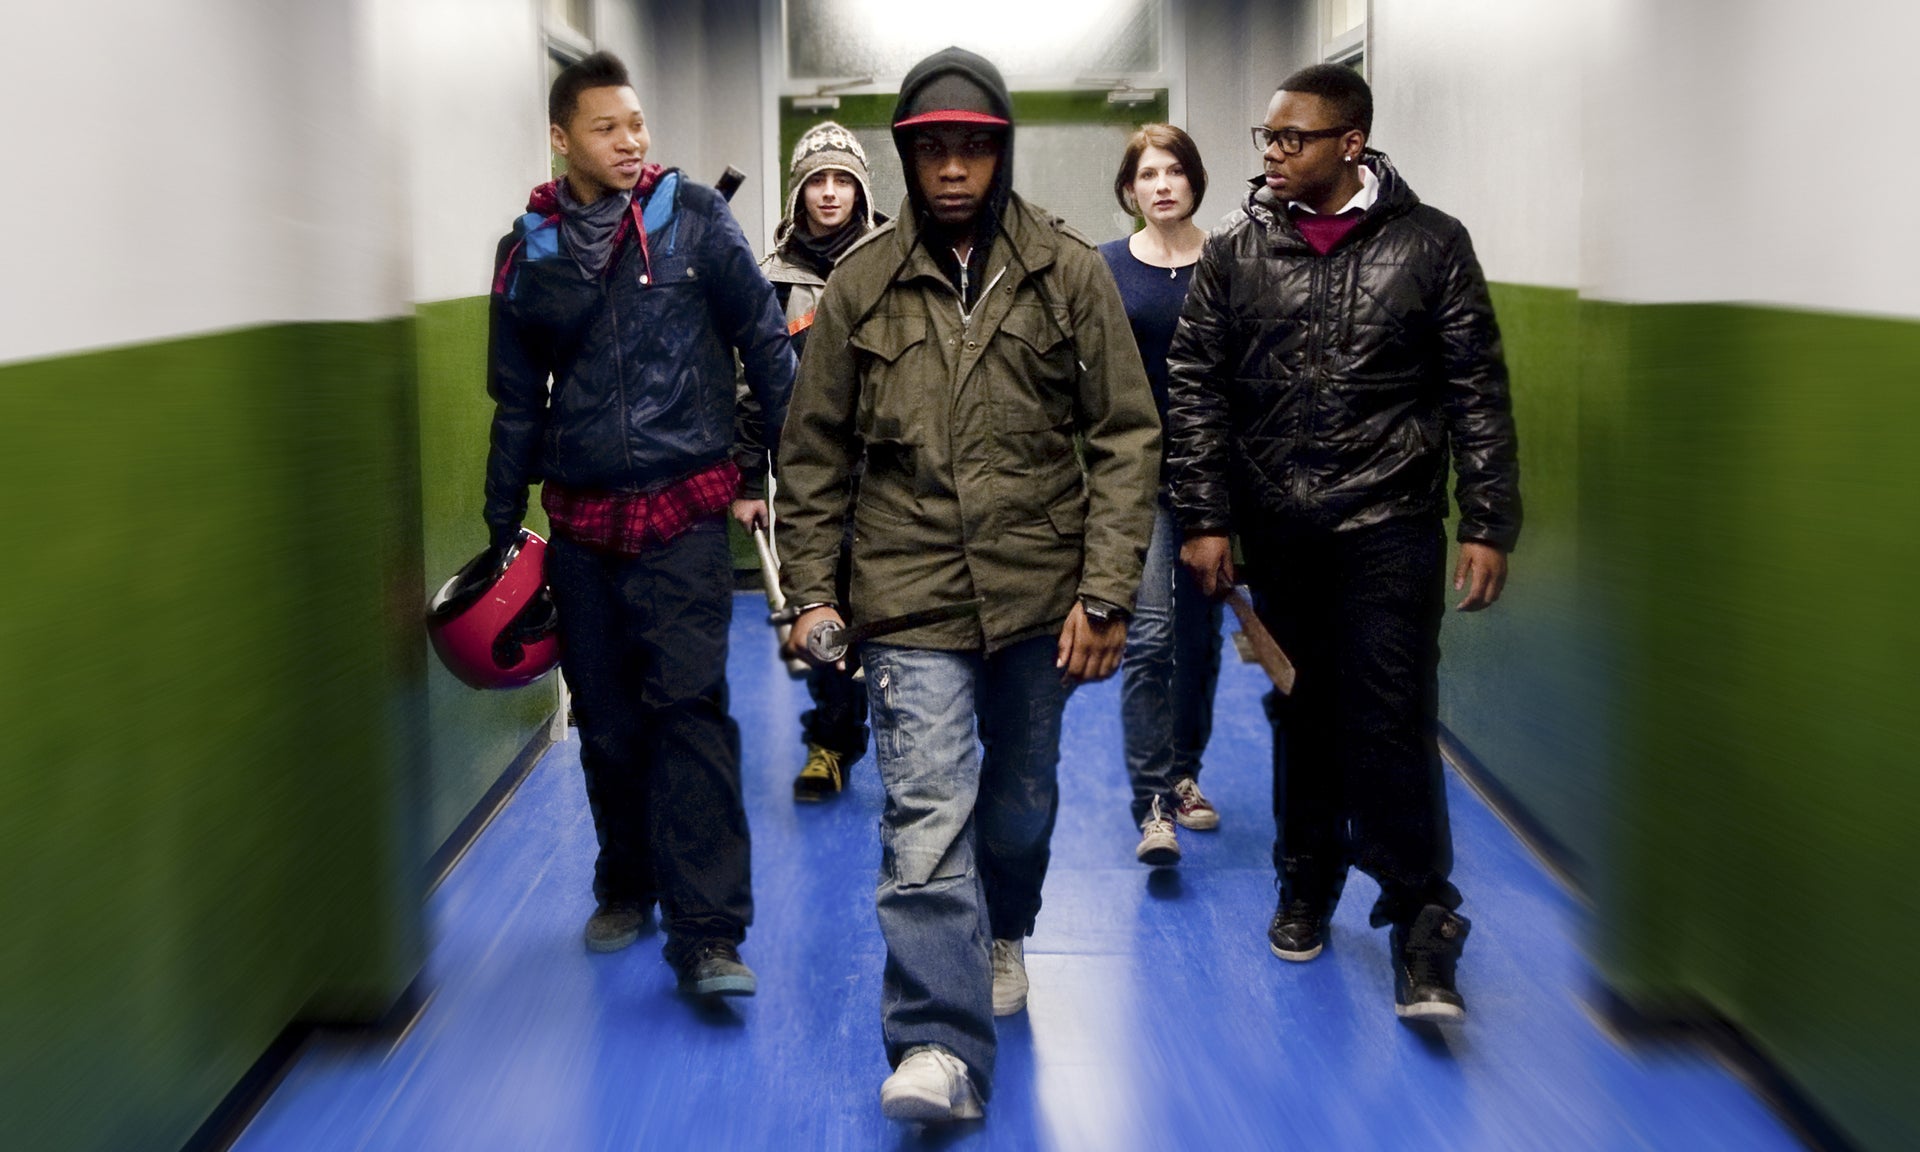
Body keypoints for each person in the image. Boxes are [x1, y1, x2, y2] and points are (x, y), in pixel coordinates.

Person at [773, 48, 1159, 1123]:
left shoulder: (1068, 273)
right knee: (925, 811)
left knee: (1022, 806)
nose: (952, 170)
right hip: (908, 592)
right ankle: (938, 1046)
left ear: (1000, 155)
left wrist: (1108, 590)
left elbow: (1127, 437)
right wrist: (811, 590)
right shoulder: (862, 284)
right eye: (933, 149)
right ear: (908, 155)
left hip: (1042, 595)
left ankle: (1005, 925)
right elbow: (810, 454)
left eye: (972, 150)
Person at [1166, 64, 1521, 1022]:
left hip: (1390, 527)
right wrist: (1204, 517)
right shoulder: (1237, 254)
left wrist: (1488, 520)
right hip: (1281, 530)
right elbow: (1196, 391)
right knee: (1302, 713)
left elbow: (1474, 391)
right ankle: (1306, 879)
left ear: (1350, 144)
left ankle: (1420, 922)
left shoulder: (1432, 245)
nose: (1273, 153)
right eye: (1267, 139)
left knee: (1392, 716)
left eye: (1293, 138)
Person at [481, 52, 795, 998]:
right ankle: (626, 879)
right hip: (580, 523)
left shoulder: (695, 218)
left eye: (638, 123)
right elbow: (514, 402)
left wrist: (780, 471)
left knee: (689, 715)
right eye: (608, 127)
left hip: (685, 514)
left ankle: (708, 934)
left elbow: (766, 346)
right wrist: (503, 530)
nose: (632, 140)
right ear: (561, 136)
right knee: (609, 728)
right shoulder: (526, 254)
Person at [730, 121, 882, 802]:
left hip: (889, 480)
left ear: (861, 190)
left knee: (891, 615)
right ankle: (830, 744)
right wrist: (744, 479)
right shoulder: (770, 281)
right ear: (798, 192)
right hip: (807, 484)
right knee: (820, 616)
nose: (828, 193)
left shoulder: (894, 263)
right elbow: (748, 387)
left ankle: (911, 743)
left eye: (841, 180)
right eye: (816, 180)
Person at [1099, 125, 1227, 869]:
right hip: (1138, 479)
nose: (1163, 184)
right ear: (1130, 189)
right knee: (1148, 637)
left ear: (1194, 179)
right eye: (1148, 174)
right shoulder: (1108, 267)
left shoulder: (1231, 262)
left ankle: (1185, 772)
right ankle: (1152, 800)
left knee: (1201, 641)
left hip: (1215, 481)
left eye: (1176, 170)